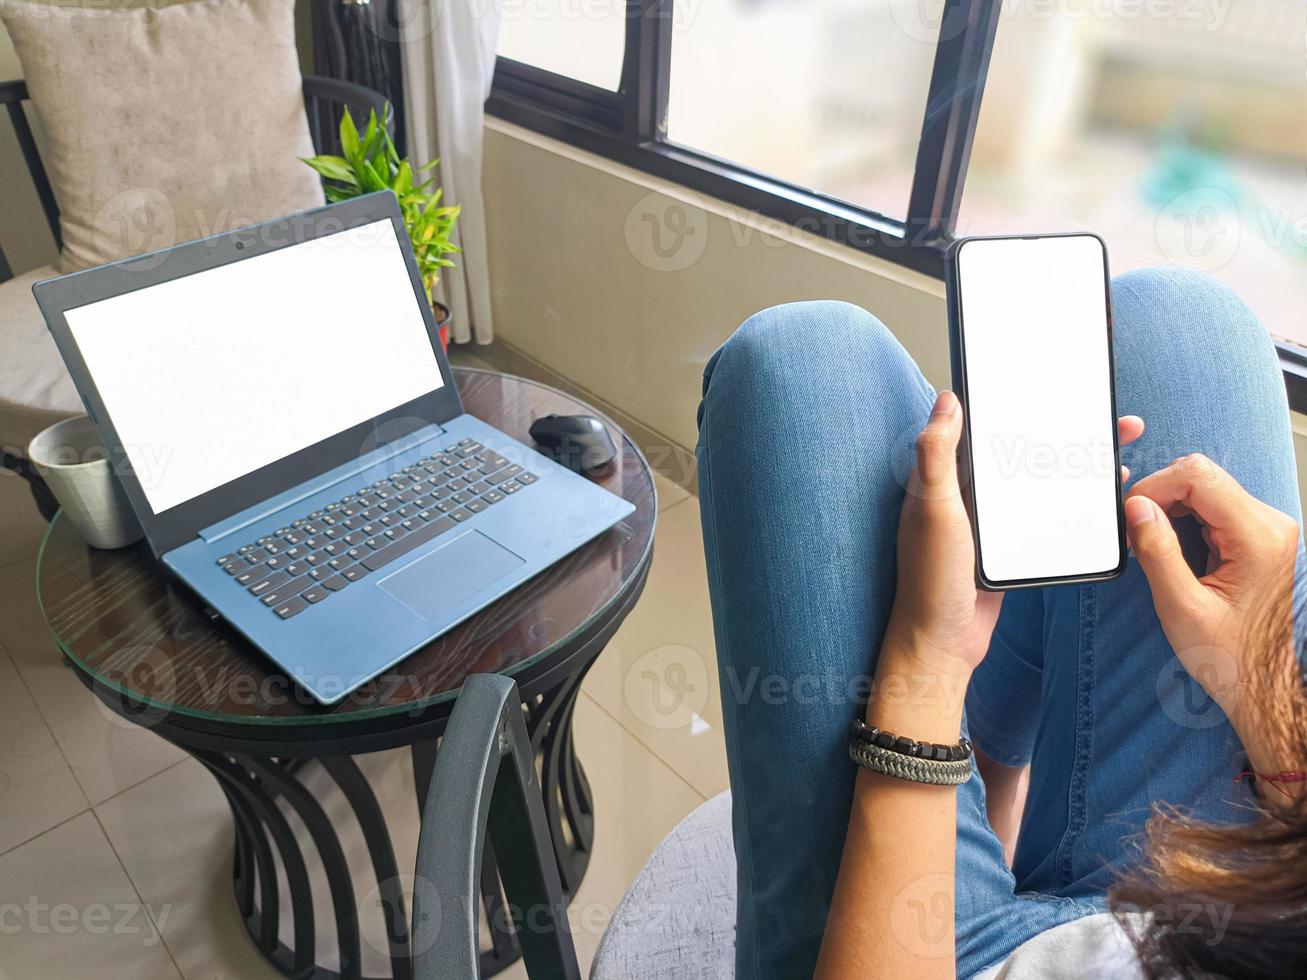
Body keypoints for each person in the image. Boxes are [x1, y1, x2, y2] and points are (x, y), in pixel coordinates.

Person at [695, 268, 1307, 979]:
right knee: (1186, 320)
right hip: (1248, 905)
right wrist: (1267, 695)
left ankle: (979, 770)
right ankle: (994, 773)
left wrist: (927, 662)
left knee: (798, 361)